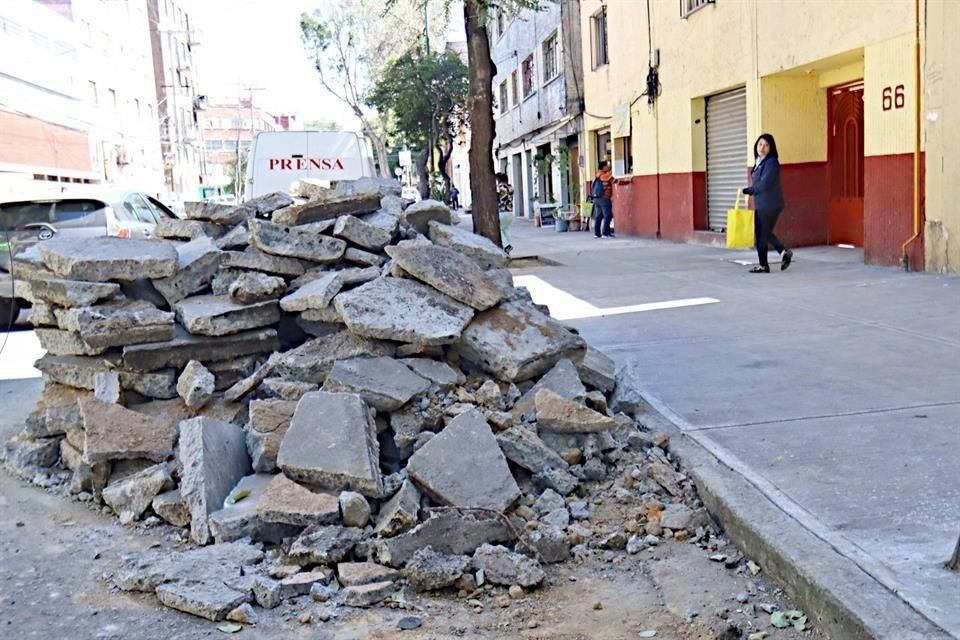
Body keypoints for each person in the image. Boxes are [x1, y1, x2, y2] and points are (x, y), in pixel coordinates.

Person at [743, 133, 793, 273]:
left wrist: (750, 190)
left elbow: (765, 184)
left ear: (771, 148)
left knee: (761, 234)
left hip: (769, 205)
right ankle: (783, 253)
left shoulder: (771, 162)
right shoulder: (760, 162)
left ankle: (764, 265)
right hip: (764, 203)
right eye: (760, 144)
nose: (762, 148)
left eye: (766, 145)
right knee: (765, 233)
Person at [591, 161, 615, 238]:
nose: (608, 167)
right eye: (607, 166)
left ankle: (597, 233)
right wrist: (628, 182)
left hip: (597, 199)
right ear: (604, 167)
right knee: (608, 216)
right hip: (604, 199)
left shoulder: (596, 175)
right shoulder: (605, 176)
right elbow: (616, 181)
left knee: (598, 217)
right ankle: (605, 233)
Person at [496, 172, 514, 255]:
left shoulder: (499, 188)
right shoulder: (511, 188)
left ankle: (506, 245)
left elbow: (497, 198)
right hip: (509, 212)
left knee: (499, 230)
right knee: (505, 230)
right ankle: (507, 250)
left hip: (501, 211)